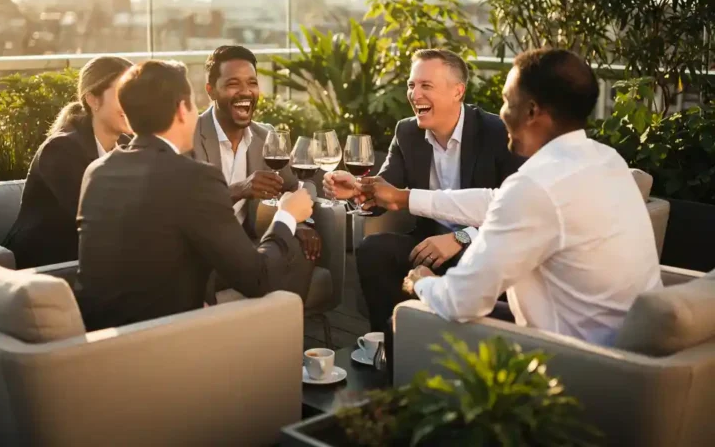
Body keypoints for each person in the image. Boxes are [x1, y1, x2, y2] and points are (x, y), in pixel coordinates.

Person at [359, 48, 662, 346]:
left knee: (418, 313)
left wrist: (423, 282)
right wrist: (404, 198)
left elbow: (458, 302)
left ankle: (394, 365)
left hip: (568, 355)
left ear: (531, 112)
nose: (501, 114)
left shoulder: (534, 186)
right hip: (623, 346)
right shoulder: (606, 160)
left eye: (506, 101)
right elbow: (496, 200)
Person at [77, 59, 315, 331]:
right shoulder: (195, 178)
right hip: (166, 339)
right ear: (182, 110)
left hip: (97, 339)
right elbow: (258, 278)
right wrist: (286, 215)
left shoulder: (96, 171)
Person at [323, 49, 522, 331]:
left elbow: (514, 211)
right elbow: (386, 189)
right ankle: (388, 341)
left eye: (426, 85)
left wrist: (463, 237)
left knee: (475, 261)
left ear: (458, 91)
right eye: (411, 85)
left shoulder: (497, 132)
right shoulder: (407, 133)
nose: (414, 95)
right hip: (427, 243)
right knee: (373, 250)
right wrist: (357, 189)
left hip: (483, 247)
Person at [192, 45, 320, 260]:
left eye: (252, 83)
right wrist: (239, 190)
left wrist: (296, 221)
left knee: (303, 254)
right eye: (233, 84)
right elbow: (186, 207)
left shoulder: (266, 136)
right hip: (202, 249)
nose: (245, 92)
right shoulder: (189, 136)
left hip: (248, 246)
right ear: (211, 90)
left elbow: (296, 186)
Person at [4, 56, 133, 269]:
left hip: (94, 258)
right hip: (47, 264)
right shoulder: (60, 149)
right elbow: (95, 218)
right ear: (93, 100)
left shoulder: (129, 145)